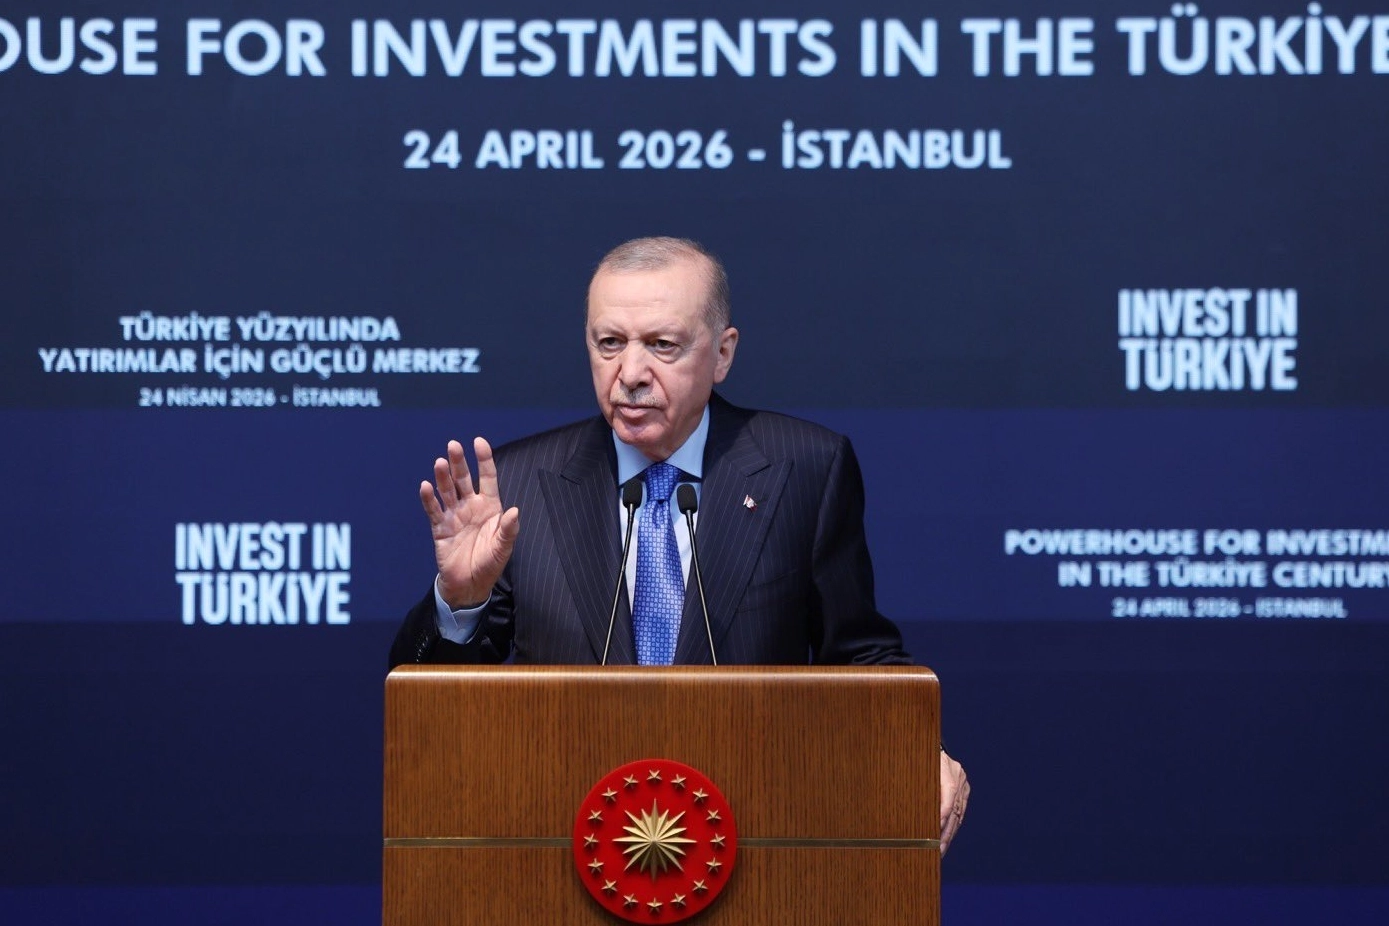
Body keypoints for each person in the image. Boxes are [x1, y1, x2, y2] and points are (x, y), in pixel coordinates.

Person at [389, 236, 969, 852]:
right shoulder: (521, 485)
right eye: (609, 343)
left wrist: (917, 748)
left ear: (722, 354)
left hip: (751, 838)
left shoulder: (804, 468)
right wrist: (461, 602)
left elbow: (858, 655)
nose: (631, 374)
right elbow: (430, 712)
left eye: (662, 345)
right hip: (569, 840)